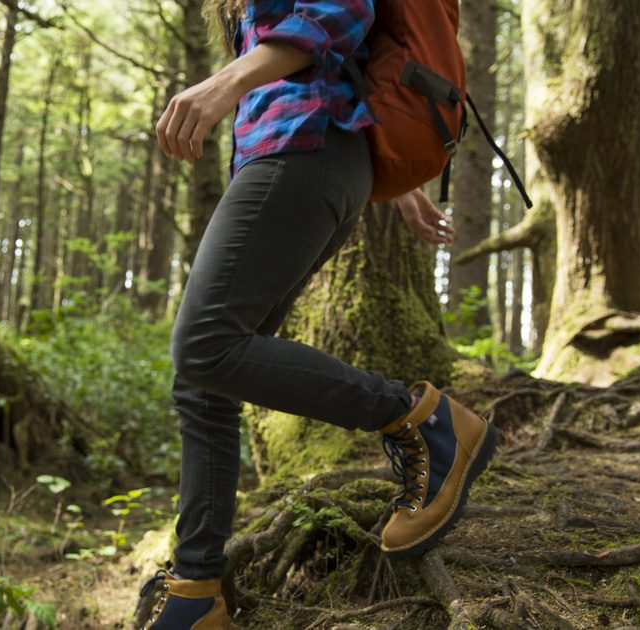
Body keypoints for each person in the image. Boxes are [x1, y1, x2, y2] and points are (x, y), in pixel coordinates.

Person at [138, 1, 499, 627]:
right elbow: (343, 62)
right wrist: (399, 184)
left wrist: (222, 83)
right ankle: (196, 591)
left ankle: (423, 422)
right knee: (204, 379)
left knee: (205, 346)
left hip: (301, 150)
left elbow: (339, 11)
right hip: (299, 153)